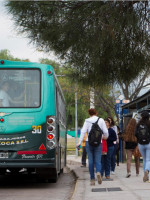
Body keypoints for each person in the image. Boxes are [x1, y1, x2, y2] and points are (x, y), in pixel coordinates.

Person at [76, 108, 108, 186]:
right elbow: (106, 132)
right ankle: (98, 172)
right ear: (96, 113)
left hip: (88, 142)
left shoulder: (87, 121)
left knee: (90, 161)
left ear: (89, 113)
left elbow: (83, 131)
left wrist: (79, 143)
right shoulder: (101, 120)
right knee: (98, 160)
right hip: (98, 143)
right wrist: (105, 137)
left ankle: (92, 179)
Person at [135, 111, 150, 182]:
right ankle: (147, 170)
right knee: (148, 160)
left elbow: (135, 134)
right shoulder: (149, 124)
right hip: (149, 143)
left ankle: (145, 174)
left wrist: (139, 139)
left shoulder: (138, 125)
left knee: (144, 159)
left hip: (141, 144)